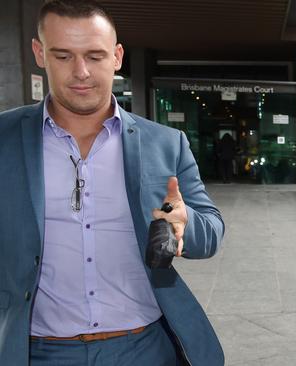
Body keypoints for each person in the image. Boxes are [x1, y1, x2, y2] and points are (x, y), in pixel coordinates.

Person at [0, 1, 225, 365]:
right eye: (63, 56)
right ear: (39, 53)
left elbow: (212, 230)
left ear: (117, 56)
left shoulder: (166, 143)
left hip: (146, 348)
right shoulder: (4, 139)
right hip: (37, 351)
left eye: (95, 55)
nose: (81, 72)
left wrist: (185, 225)